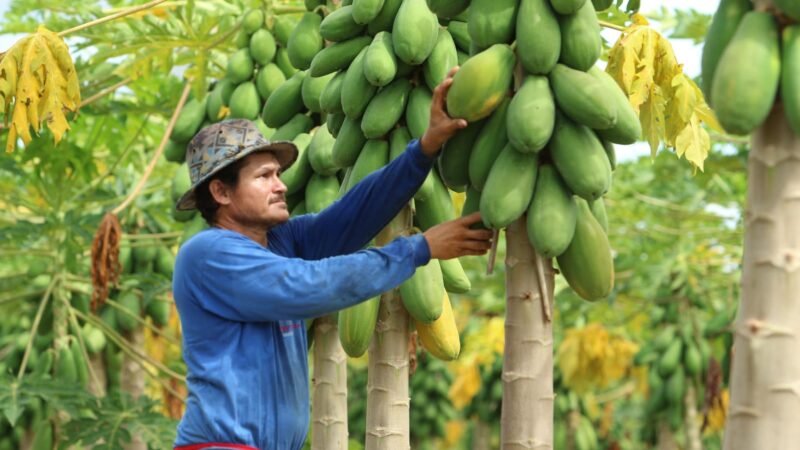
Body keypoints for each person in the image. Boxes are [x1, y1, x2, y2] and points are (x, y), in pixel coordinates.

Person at [171, 68, 493, 450]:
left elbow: (352, 215)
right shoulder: (208, 256)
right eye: (264, 177)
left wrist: (424, 148)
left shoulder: (280, 240)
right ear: (221, 192)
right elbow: (311, 284)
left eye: (278, 174)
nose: (282, 185)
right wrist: (418, 248)